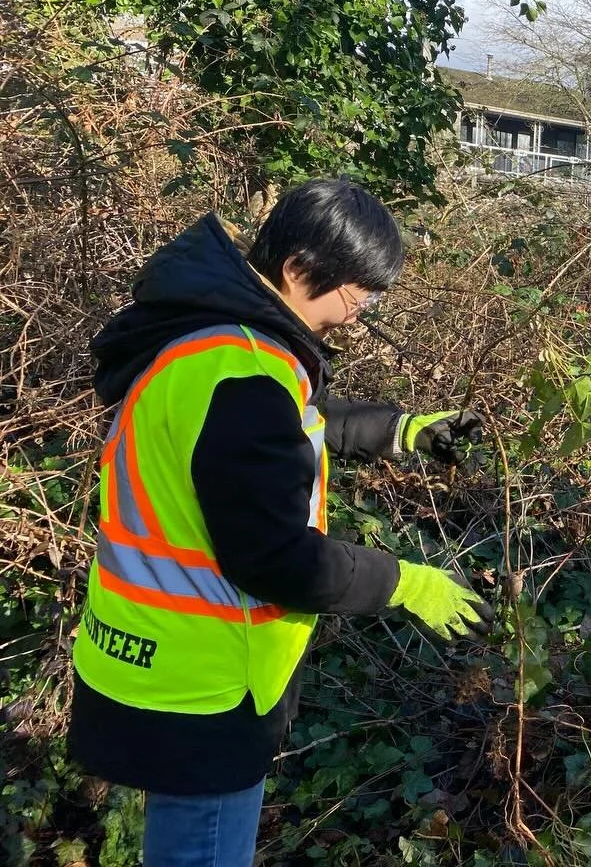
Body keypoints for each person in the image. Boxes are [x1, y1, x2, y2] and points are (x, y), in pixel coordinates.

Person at [69, 178, 490, 867]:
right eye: (358, 294)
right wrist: (406, 582)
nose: (358, 314)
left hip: (143, 657)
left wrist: (404, 431)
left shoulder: (207, 342)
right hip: (206, 689)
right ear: (299, 270)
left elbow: (297, 422)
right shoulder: (247, 376)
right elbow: (277, 560)